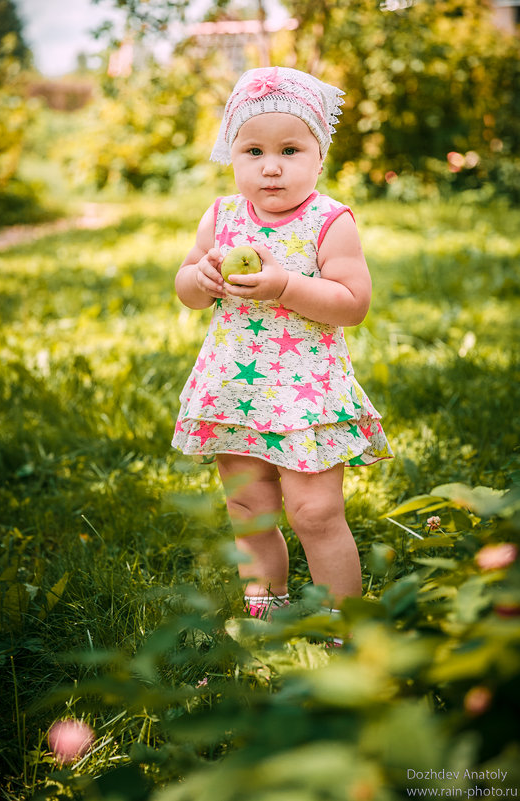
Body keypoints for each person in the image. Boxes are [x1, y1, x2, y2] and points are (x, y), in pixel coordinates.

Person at [172, 67, 393, 636]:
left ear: (319, 156)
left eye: (290, 149)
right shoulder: (222, 216)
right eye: (253, 150)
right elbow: (186, 288)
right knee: (249, 508)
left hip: (304, 393)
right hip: (237, 390)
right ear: (232, 155)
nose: (271, 166)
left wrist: (285, 287)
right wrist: (202, 278)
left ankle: (342, 621)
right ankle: (265, 605)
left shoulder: (329, 221)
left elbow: (352, 302)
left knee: (315, 512)